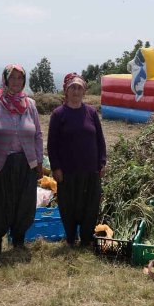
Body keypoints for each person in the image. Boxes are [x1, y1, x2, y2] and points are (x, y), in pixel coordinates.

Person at [0, 64, 43, 253]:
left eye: (20, 78)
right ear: (5, 79)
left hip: (26, 163)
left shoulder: (29, 104)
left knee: (23, 203)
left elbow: (38, 135)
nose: (16, 82)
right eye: (12, 78)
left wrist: (39, 161)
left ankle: (18, 242)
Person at [47, 74, 107, 247]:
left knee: (90, 205)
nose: (76, 91)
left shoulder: (91, 112)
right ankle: (71, 238)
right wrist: (56, 167)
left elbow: (100, 140)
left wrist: (102, 162)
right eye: (72, 87)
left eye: (79, 87)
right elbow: (52, 144)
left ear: (84, 91)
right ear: (66, 91)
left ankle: (86, 239)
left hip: (91, 169)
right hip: (68, 171)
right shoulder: (58, 114)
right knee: (68, 205)